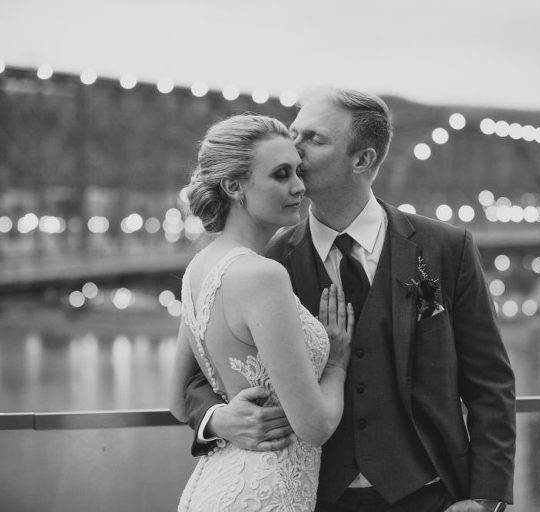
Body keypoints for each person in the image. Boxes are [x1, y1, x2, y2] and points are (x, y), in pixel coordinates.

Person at [183, 88, 517, 512]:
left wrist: (487, 499)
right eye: (294, 133)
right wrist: (217, 420)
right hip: (313, 497)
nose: (295, 151)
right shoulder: (265, 261)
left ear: (363, 160)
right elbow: (198, 374)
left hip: (432, 494)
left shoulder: (445, 248)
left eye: (314, 139)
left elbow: (490, 384)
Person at [169, 113, 355, 511]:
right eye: (281, 175)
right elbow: (316, 427)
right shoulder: (263, 275)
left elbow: (175, 398)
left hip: (213, 489)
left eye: (298, 172)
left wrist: (218, 419)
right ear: (234, 186)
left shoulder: (198, 269)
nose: (300, 187)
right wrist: (337, 365)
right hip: (266, 495)